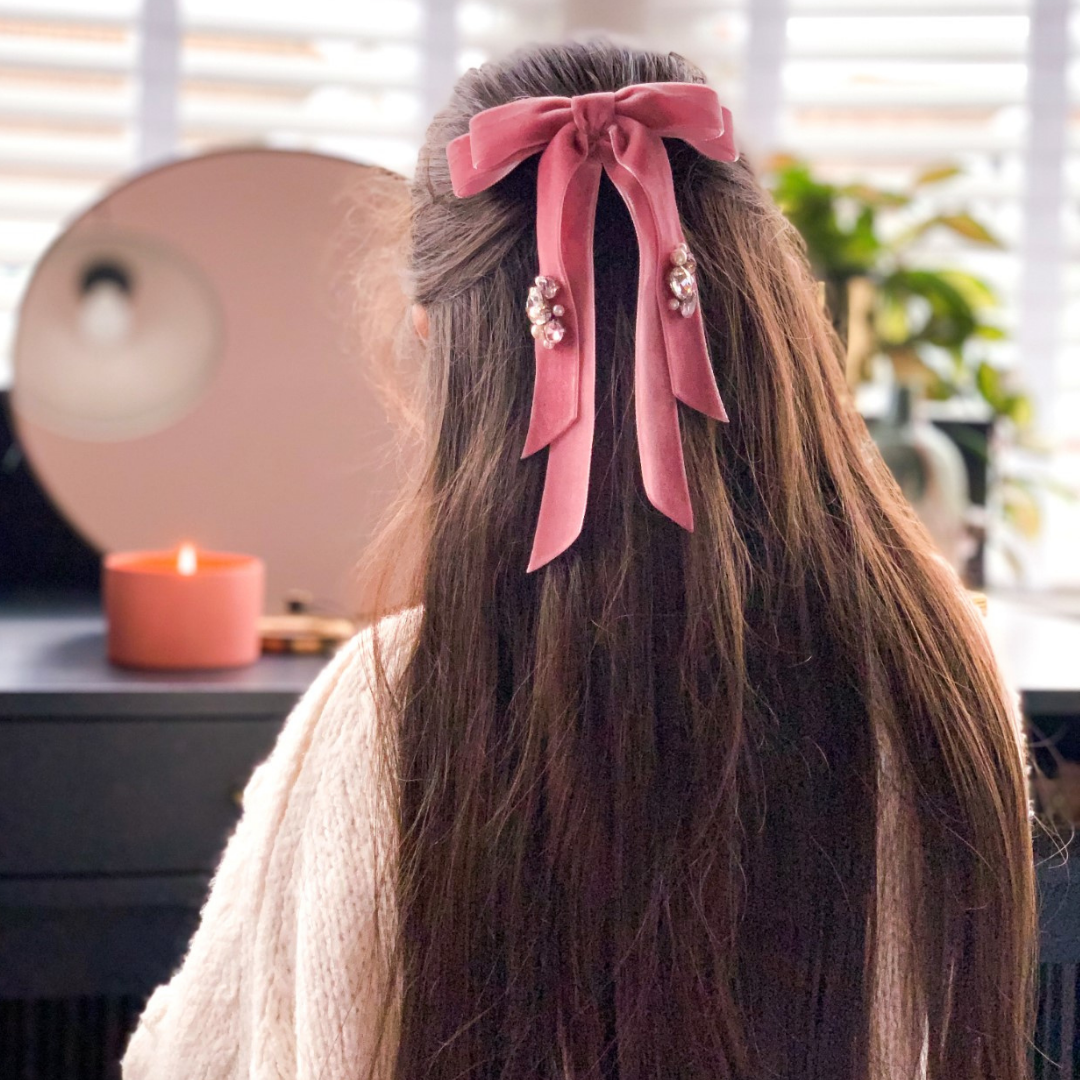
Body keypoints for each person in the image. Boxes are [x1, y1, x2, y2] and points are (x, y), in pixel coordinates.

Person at [122, 39, 1035, 1080]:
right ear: (767, 310)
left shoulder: (381, 710)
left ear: (434, 343)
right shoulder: (943, 671)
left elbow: (187, 1059)